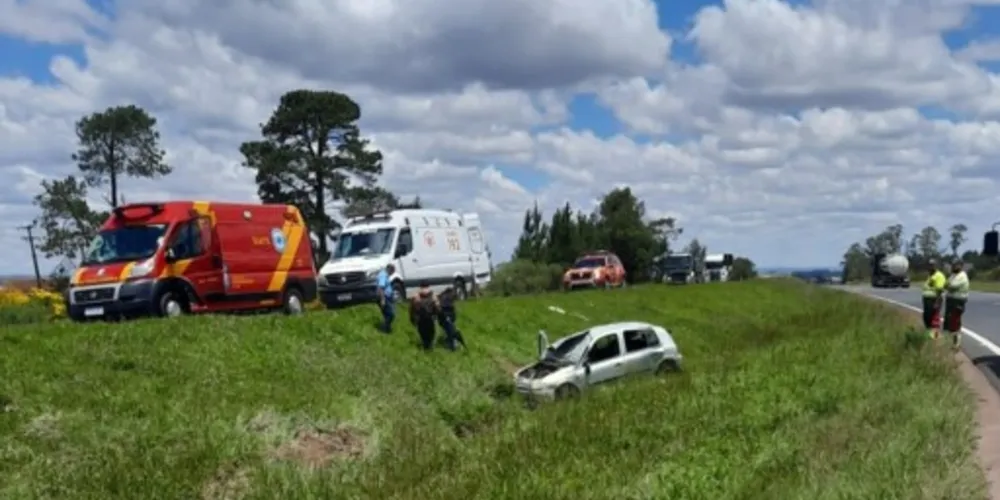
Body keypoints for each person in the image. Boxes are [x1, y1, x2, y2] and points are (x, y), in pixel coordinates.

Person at [944, 261, 970, 350]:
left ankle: (956, 343)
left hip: (958, 301)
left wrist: (948, 285)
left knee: (955, 321)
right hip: (951, 300)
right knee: (948, 321)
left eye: (956, 265)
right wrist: (947, 285)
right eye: (953, 265)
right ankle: (950, 342)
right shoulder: (953, 275)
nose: (953, 267)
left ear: (960, 266)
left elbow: (952, 286)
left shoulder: (962, 276)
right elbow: (946, 284)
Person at [409, 281, 439, 350]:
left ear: (420, 286)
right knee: (431, 334)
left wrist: (412, 318)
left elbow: (411, 309)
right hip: (430, 318)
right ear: (428, 286)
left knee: (423, 334)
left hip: (420, 318)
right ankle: (430, 348)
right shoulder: (432, 294)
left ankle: (425, 347)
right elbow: (437, 307)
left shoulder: (416, 296)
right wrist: (437, 316)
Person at [921, 260, 946, 339]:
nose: (930, 267)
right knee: (926, 318)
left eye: (932, 265)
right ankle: (930, 335)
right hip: (927, 300)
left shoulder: (939, 276)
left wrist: (937, 302)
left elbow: (940, 290)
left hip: (934, 299)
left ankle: (935, 337)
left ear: (936, 266)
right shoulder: (930, 275)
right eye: (929, 265)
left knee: (934, 319)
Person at [437, 287, 467, 351]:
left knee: (449, 330)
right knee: (451, 330)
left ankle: (452, 343)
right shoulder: (449, 296)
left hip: (443, 316)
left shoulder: (442, 296)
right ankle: (453, 344)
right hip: (448, 315)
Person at [375, 263, 396, 334]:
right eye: (392, 272)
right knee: (391, 314)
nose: (392, 274)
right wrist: (383, 299)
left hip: (387, 297)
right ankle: (383, 328)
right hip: (384, 298)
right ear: (390, 269)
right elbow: (381, 288)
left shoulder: (384, 275)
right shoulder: (383, 275)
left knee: (387, 314)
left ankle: (387, 329)